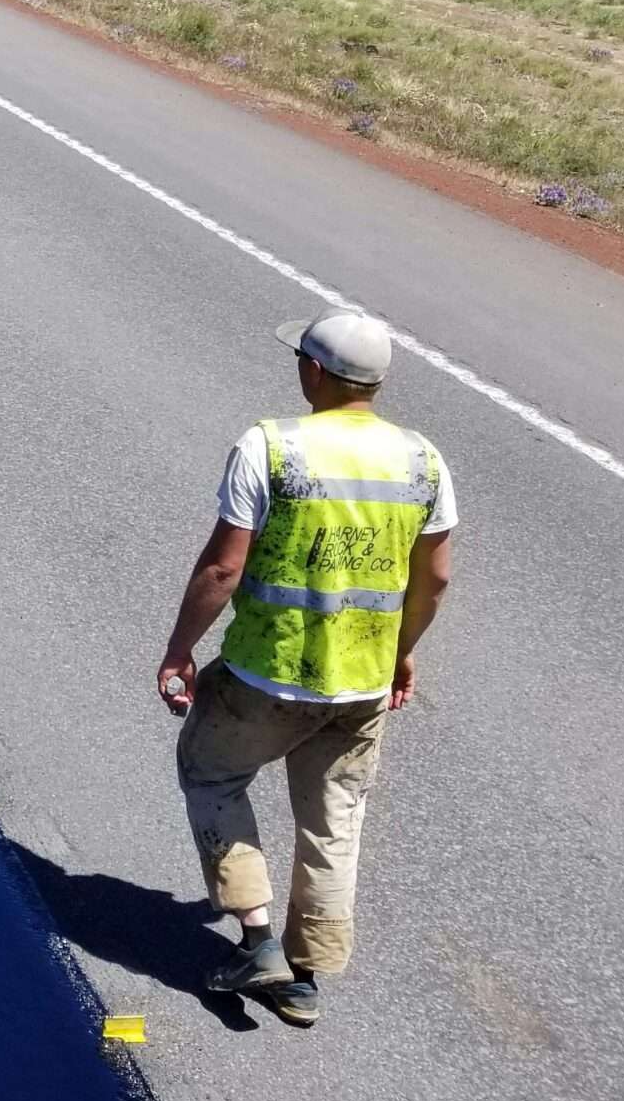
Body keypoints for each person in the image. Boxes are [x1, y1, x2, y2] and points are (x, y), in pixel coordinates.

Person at [155, 310, 456, 1027]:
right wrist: (400, 652)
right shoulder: (423, 460)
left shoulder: (272, 446)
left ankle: (259, 942)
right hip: (360, 686)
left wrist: (179, 650)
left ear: (316, 372)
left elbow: (226, 566)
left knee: (211, 772)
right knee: (334, 820)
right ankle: (306, 971)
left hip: (268, 672)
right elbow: (435, 579)